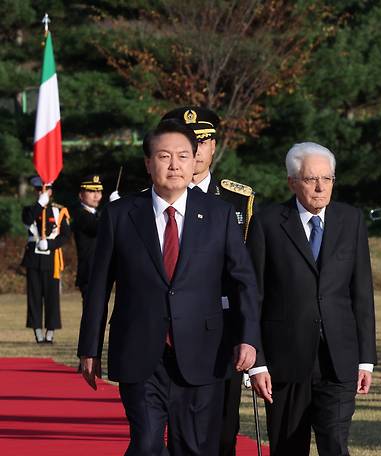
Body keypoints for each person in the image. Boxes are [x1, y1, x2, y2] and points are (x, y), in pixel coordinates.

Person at [77, 119, 261, 455]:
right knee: (146, 443)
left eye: (182, 156)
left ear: (194, 161)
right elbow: (99, 285)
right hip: (139, 348)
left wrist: (249, 339)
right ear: (148, 163)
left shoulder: (219, 214)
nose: (174, 165)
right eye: (164, 156)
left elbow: (243, 281)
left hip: (203, 350)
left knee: (192, 446)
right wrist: (89, 347)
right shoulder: (120, 215)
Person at [247, 142, 377, 455]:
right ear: (292, 182)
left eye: (327, 179)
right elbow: (254, 297)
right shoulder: (267, 223)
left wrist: (366, 359)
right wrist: (257, 364)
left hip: (339, 358)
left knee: (334, 441)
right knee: (288, 446)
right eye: (310, 180)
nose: (320, 187)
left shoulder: (351, 220)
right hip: (285, 360)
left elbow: (362, 292)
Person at [161, 106, 255, 456]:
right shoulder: (151, 199)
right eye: (186, 142)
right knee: (166, 425)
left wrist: (248, 333)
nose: (195, 151)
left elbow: (244, 274)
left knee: (221, 428)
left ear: (214, 145)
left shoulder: (236, 199)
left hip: (220, 325)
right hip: (166, 327)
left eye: (202, 141)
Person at [22, 176, 71, 344]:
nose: (42, 192)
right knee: (34, 297)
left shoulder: (59, 210)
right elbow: (28, 221)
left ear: (50, 190)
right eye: (39, 189)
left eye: (45, 189)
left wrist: (50, 244)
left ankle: (50, 332)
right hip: (33, 259)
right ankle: (37, 332)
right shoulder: (29, 209)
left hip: (51, 259)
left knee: (52, 298)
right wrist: (40, 204)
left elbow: (65, 236)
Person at [72, 175, 103, 305]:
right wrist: (114, 208)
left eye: (98, 191)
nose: (96, 196)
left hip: (101, 271)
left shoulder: (98, 214)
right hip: (89, 272)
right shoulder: (80, 214)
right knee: (91, 315)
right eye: (91, 191)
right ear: (81, 195)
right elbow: (98, 228)